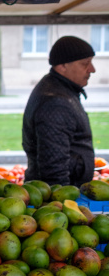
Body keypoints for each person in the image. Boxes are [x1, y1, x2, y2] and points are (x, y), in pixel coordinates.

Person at [22, 36, 96, 187]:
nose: (92, 69)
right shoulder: (56, 101)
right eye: (85, 64)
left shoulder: (60, 89)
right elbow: (53, 168)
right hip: (59, 195)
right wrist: (62, 203)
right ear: (62, 66)